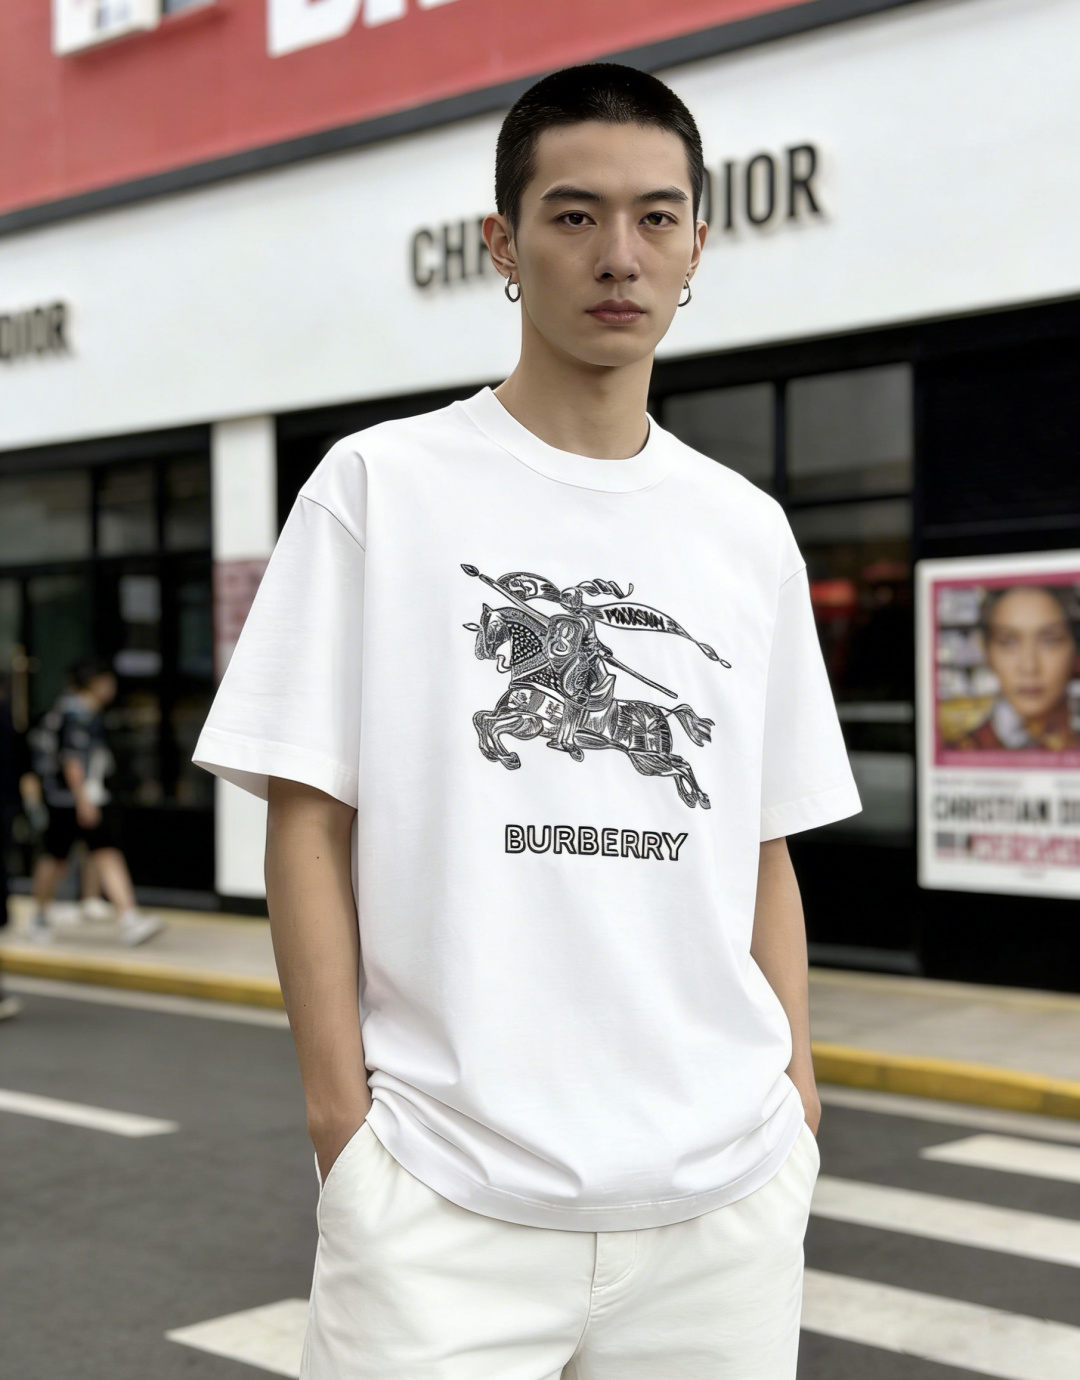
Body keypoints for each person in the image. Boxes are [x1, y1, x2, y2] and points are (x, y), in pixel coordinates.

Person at [193, 62, 861, 1379]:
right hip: (442, 1202)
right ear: (502, 243)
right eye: (574, 215)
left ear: (697, 244)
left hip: (723, 1202)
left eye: (656, 217)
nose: (619, 254)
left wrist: (798, 1099)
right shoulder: (379, 488)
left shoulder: (746, 531)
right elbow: (307, 823)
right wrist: (345, 1129)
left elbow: (764, 844)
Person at [27, 656, 163, 947]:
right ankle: (39, 915)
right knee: (57, 858)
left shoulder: (74, 711)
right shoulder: (76, 714)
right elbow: (72, 760)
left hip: (81, 798)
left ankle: (128, 917)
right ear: (94, 683)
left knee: (104, 851)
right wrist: (83, 800)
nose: (111, 688)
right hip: (69, 800)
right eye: (107, 681)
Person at [948, 584, 1080, 750]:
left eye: (1049, 640)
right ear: (986, 651)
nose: (1029, 667)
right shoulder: (963, 750)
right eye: (1007, 642)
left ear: (1075, 648)